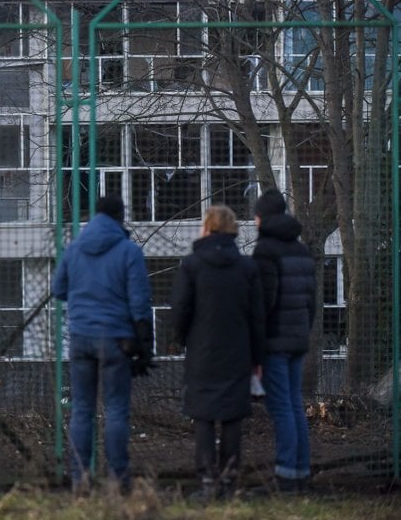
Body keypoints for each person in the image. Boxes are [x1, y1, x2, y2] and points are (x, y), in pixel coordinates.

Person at [51, 194, 153, 493]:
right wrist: (145, 342)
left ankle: (79, 478)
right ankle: (118, 479)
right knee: (116, 410)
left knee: (82, 409)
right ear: (120, 216)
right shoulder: (128, 250)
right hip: (116, 339)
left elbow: (59, 290)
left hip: (81, 337)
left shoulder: (74, 249)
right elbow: (139, 302)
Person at [170, 206, 264, 500]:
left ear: (208, 228)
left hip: (202, 351)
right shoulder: (247, 267)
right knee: (233, 416)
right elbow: (257, 316)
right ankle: (229, 479)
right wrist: (257, 356)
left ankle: (208, 480)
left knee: (204, 417)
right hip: (238, 351)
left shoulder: (192, 265)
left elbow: (180, 310)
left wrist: (181, 339)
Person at [251, 189, 316, 493]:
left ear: (261, 217)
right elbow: (312, 301)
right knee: (294, 405)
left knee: (281, 408)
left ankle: (287, 476)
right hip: (298, 338)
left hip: (275, 341)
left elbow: (263, 303)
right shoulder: (301, 250)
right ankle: (300, 472)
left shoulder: (265, 250)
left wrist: (256, 348)